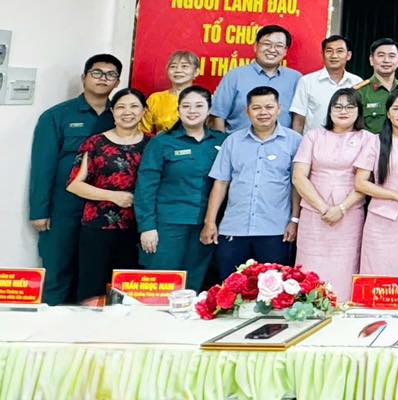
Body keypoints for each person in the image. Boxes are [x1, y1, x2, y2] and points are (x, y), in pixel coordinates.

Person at [29, 53, 119, 304]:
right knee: (58, 269)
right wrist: (39, 211)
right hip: (64, 207)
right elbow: (43, 166)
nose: (103, 78)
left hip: (105, 209)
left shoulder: (120, 115)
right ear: (84, 77)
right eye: (97, 73)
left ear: (117, 82)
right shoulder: (57, 116)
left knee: (95, 275)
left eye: (110, 75)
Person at [202, 86, 302, 277]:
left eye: (269, 107)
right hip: (234, 228)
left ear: (279, 109)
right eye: (256, 108)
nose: (263, 112)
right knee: (230, 287)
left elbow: (296, 185)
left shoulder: (294, 141)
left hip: (276, 230)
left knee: (274, 289)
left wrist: (294, 220)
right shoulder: (232, 141)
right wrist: (210, 222)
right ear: (247, 111)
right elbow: (221, 183)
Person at [136, 86, 225, 289]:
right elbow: (145, 187)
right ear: (178, 110)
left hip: (207, 225)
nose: (192, 111)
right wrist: (147, 227)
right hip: (168, 224)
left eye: (199, 106)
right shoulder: (162, 143)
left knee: (195, 284)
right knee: (162, 284)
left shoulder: (222, 141)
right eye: (186, 106)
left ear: (209, 110)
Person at [66, 88, 149, 301]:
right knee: (92, 289)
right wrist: (113, 196)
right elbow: (74, 185)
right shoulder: (95, 143)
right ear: (112, 111)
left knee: (129, 293)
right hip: (98, 227)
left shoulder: (153, 144)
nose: (127, 112)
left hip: (138, 229)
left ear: (144, 111)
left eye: (134, 106)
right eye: (121, 107)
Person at [292, 88, 375, 300]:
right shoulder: (313, 136)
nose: (343, 111)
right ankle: (307, 309)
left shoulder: (368, 139)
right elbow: (299, 177)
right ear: (329, 111)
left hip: (349, 213)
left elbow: (364, 182)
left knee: (344, 267)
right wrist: (323, 208)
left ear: (359, 111)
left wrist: (341, 208)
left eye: (349, 106)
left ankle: (341, 308)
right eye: (337, 106)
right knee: (310, 267)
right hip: (314, 213)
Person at [355, 90, 398, 275]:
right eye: (396, 109)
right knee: (376, 274)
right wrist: (396, 196)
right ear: (388, 113)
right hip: (380, 220)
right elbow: (360, 183)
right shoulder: (375, 141)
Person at [211, 25, 301, 132]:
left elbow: (299, 118)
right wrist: (222, 141)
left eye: (279, 46)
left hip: (283, 142)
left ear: (285, 50)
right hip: (239, 141)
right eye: (267, 44)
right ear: (256, 46)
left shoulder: (296, 79)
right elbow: (218, 115)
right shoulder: (235, 76)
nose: (272, 49)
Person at [290, 35, 361, 133]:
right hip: (314, 141)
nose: (334, 56)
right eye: (329, 51)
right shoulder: (307, 81)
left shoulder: (357, 82)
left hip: (348, 141)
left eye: (339, 51)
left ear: (348, 55)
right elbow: (299, 119)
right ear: (322, 54)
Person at [354, 38, 398, 132]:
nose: (386, 60)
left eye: (391, 56)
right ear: (371, 60)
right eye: (381, 55)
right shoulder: (359, 92)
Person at [140, 50, 199, 135]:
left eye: (184, 66)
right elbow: (143, 132)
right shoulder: (155, 99)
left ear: (196, 72)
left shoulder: (204, 99)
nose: (178, 70)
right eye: (173, 66)